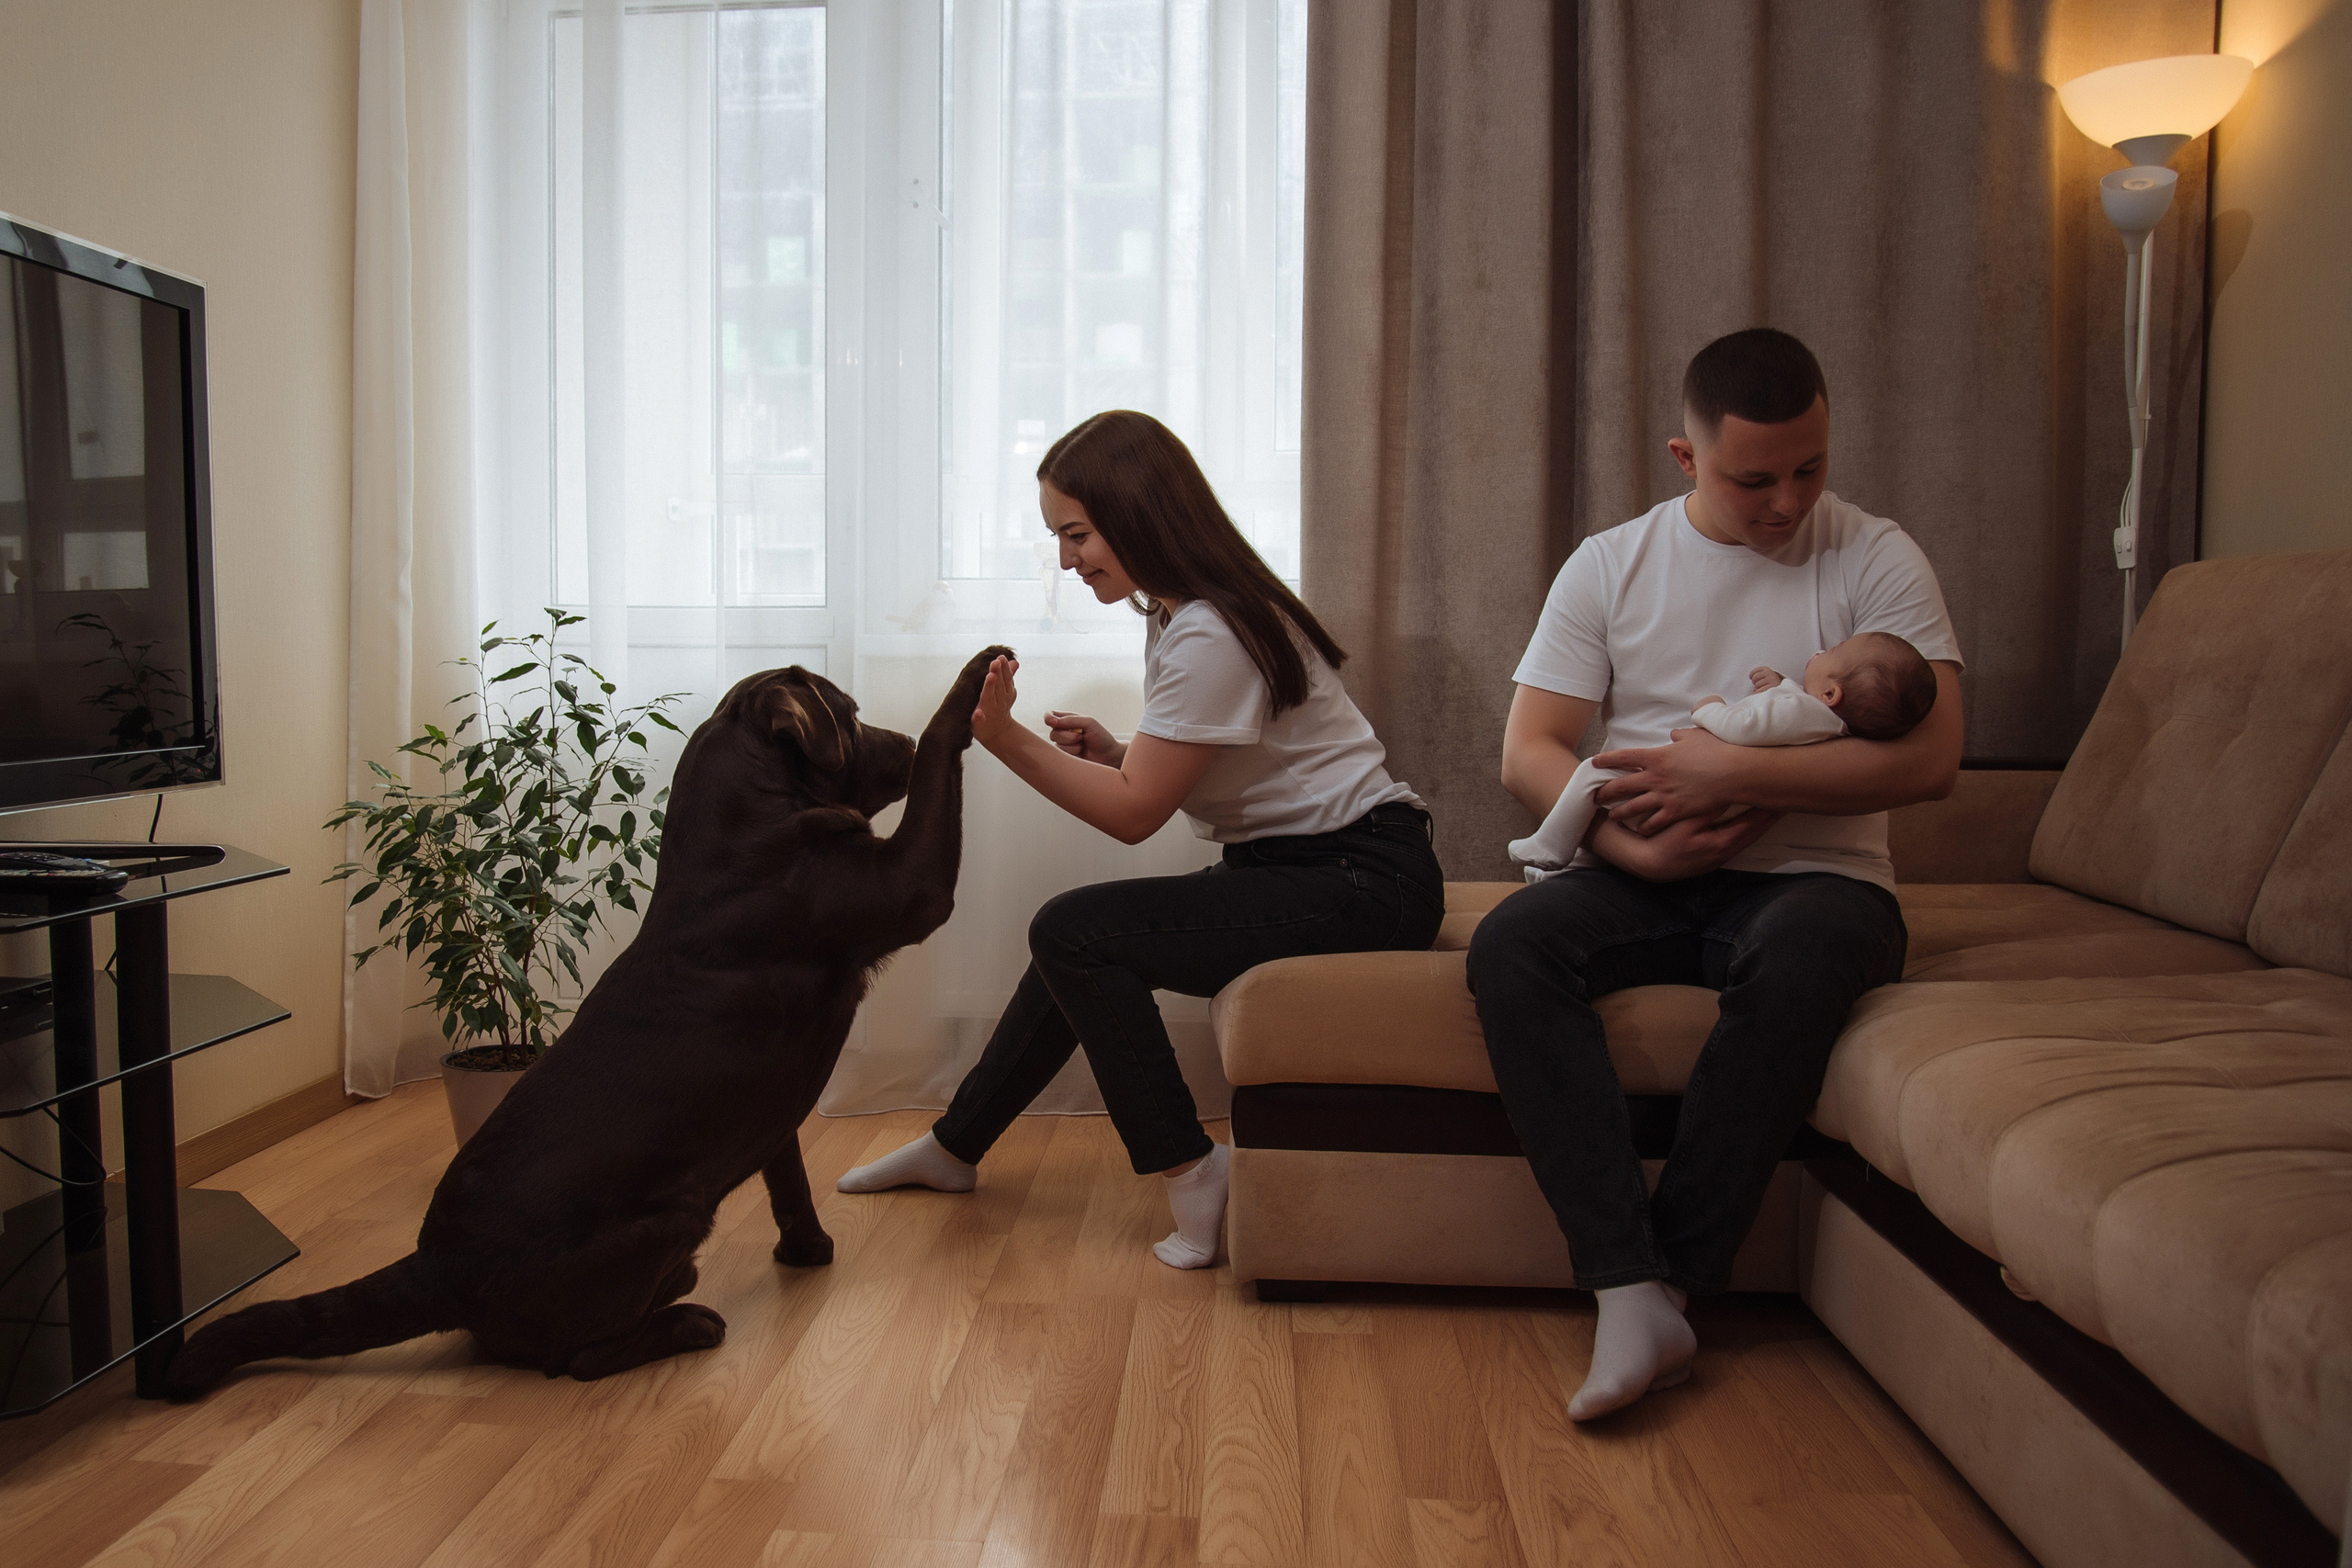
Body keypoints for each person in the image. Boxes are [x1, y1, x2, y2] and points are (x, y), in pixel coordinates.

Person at [1470, 328, 1963, 1420]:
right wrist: (1629, 844)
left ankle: (1672, 1285)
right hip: (1639, 866)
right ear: (1685, 460)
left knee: (1801, 957)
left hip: (1819, 880)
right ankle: (1622, 1282)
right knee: (1511, 947)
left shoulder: (1877, 555)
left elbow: (1931, 759)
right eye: (1754, 479)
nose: (1787, 502)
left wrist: (1730, 775)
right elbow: (1530, 749)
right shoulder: (1612, 562)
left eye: (1809, 468)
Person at [839, 409, 1446, 1269]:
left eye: (1076, 533)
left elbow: (1133, 816)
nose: (1066, 558)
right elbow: (1221, 767)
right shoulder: (1181, 614)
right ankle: (956, 1145)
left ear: (1138, 511)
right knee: (1079, 941)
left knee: (1073, 930)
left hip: (1357, 880)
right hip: (1319, 867)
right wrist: (1125, 753)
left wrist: (1001, 736)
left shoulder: (1212, 628)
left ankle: (1192, 1166)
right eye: (1058, 536)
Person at [1507, 631, 1939, 874]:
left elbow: (1746, 725)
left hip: (1687, 794)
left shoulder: (1803, 712)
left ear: (1830, 692)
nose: (1823, 650)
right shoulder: (1825, 723)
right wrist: (1780, 683)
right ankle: (1559, 864)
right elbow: (1783, 713)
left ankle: (1550, 846)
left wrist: (1709, 708)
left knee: (1593, 776)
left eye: (1835, 652)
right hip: (1713, 810)